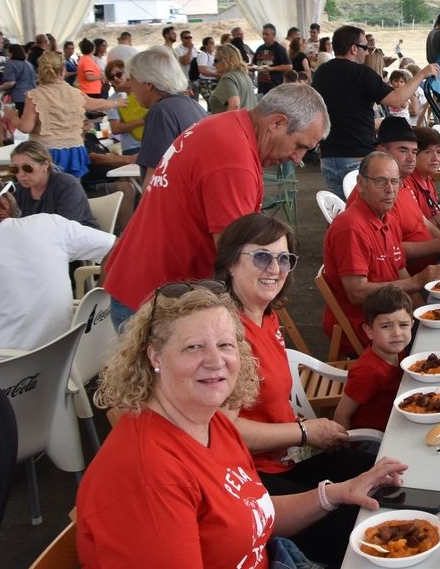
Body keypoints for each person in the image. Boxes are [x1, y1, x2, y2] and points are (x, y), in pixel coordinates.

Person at [76, 284, 408, 568]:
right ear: (155, 357)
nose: (215, 361)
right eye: (193, 347)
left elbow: (252, 513)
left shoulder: (212, 423)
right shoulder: (146, 475)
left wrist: (337, 493)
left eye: (225, 345)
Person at [103, 84, 330, 332]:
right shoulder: (234, 159)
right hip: (157, 302)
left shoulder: (228, 125)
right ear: (277, 123)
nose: (297, 159)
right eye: (299, 145)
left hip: (147, 287)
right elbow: (240, 259)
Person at [214, 214, 372, 566]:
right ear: (229, 264)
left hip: (287, 457)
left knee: (381, 474)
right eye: (261, 257)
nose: (275, 268)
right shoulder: (225, 335)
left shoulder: (266, 315)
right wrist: (304, 432)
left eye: (283, 258)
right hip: (253, 476)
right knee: (362, 524)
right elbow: (223, 431)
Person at [0, 171, 113, 355]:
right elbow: (118, 249)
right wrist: (97, 301)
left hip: (0, 375)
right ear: (3, 203)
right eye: (10, 190)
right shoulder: (49, 225)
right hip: (66, 360)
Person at [322, 152, 440, 354]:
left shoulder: (386, 217)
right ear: (361, 184)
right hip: (367, 326)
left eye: (395, 182)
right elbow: (356, 293)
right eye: (381, 181)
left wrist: (424, 315)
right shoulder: (351, 227)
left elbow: (400, 268)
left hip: (393, 314)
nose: (390, 190)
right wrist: (416, 281)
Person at [312, 26, 437, 199]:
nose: (367, 53)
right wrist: (421, 74)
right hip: (356, 155)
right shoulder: (362, 73)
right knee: (367, 212)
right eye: (365, 48)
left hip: (328, 156)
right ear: (354, 49)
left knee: (339, 214)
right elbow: (398, 101)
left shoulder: (321, 73)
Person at [374, 117, 440, 270]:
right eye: (403, 150)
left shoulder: (402, 184)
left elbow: (424, 224)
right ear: (382, 152)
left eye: (414, 151)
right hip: (420, 276)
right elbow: (389, 252)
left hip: (432, 267)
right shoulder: (379, 194)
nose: (411, 158)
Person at [5, 52, 120, 177]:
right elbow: (94, 104)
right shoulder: (75, 93)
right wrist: (115, 103)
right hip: (74, 148)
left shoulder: (35, 95)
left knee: (49, 192)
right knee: (72, 189)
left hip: (46, 150)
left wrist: (13, 117)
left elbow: (26, 127)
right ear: (63, 70)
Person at [334, 286, 413, 432]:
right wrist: (345, 449)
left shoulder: (396, 351)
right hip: (373, 439)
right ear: (369, 331)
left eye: (403, 325)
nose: (396, 333)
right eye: (386, 326)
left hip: (396, 419)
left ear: (412, 325)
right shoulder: (368, 372)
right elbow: (341, 414)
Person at [127, 47, 207, 186]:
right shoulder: (191, 104)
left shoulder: (160, 112)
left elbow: (155, 178)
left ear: (148, 83)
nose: (130, 87)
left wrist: (145, 207)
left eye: (131, 79)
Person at [10, 140, 98, 227]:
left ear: (45, 164)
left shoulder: (66, 185)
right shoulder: (18, 190)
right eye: (15, 169)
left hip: (76, 237)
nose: (20, 174)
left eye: (27, 168)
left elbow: (66, 229)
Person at [208, 42, 257, 114]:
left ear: (226, 60)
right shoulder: (245, 75)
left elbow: (234, 104)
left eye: (216, 60)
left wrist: (229, 124)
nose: (213, 64)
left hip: (233, 123)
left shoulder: (228, 78)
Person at [0, 43, 36, 114]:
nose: (6, 53)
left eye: (8, 51)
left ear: (12, 52)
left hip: (19, 96)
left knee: (19, 120)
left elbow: (11, 82)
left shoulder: (10, 64)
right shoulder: (29, 64)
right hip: (33, 96)